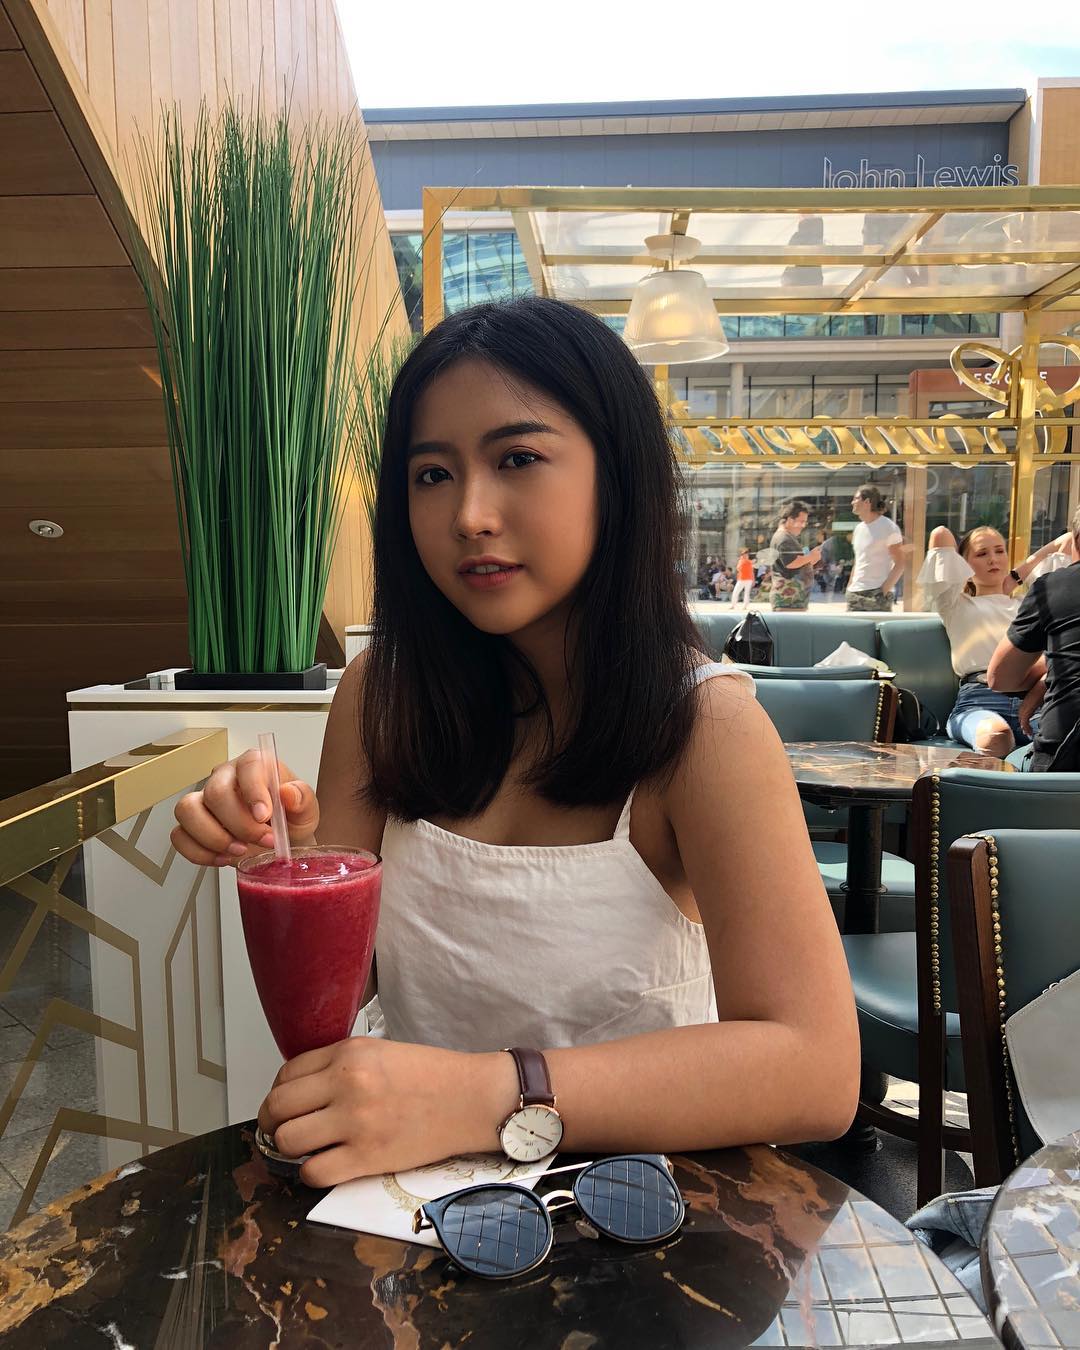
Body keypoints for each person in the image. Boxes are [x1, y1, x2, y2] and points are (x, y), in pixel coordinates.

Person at [171, 297, 858, 1186]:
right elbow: (348, 991)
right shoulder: (382, 697)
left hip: (635, 1219)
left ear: (617, 475)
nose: (469, 514)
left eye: (518, 459)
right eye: (431, 474)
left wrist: (482, 1096)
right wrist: (289, 852)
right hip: (405, 1213)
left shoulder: (704, 729)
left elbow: (815, 1069)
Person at [917, 523, 1073, 756]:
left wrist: (1017, 575)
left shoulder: (1031, 602)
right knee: (995, 737)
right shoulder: (954, 603)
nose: (993, 559)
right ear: (963, 565)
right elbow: (940, 534)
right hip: (979, 700)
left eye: (1000, 551)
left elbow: (1068, 540)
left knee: (1069, 744)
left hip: (1037, 699)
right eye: (982, 554)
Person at [987, 506, 1080, 770]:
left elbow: (999, 677)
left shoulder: (1054, 587)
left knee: (1010, 765)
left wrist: (1046, 679)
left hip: (1066, 758)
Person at [845, 485, 909, 612]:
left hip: (876, 593)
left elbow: (901, 562)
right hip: (854, 593)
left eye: (856, 498)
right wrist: (849, 587)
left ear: (867, 502)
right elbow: (858, 561)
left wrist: (883, 591)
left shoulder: (889, 527)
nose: (852, 502)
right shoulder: (858, 529)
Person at [769, 501, 822, 611]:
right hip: (788, 601)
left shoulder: (787, 537)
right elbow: (791, 563)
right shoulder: (784, 538)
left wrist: (811, 559)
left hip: (792, 600)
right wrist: (811, 556)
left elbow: (797, 563)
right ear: (790, 520)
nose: (803, 525)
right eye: (802, 521)